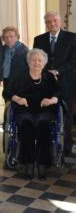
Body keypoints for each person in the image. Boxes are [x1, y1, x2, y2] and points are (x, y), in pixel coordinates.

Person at [3, 49, 62, 180]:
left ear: (44, 63)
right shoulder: (20, 76)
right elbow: (6, 92)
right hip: (24, 110)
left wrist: (52, 99)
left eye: (39, 60)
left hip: (44, 111)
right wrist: (17, 99)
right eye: (33, 60)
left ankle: (42, 164)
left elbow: (59, 92)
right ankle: (29, 164)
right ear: (28, 62)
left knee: (43, 126)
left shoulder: (49, 77)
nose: (36, 63)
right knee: (27, 126)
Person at [33, 11, 76, 156]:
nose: (52, 24)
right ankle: (47, 146)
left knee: (67, 115)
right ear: (45, 24)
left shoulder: (72, 37)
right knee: (47, 113)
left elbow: (74, 61)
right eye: (48, 21)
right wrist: (46, 73)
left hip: (66, 82)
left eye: (54, 21)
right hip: (46, 83)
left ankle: (66, 148)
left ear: (60, 22)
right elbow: (36, 59)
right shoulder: (39, 39)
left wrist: (57, 71)